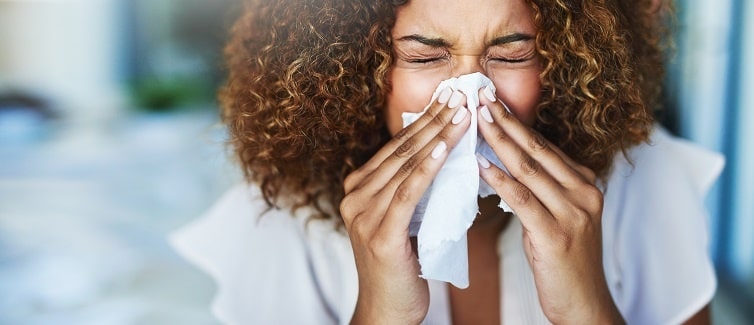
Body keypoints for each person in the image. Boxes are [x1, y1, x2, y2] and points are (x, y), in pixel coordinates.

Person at [171, 0, 724, 323]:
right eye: (423, 56)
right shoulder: (277, 222)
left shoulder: (648, 182)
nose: (468, 94)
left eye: (511, 55)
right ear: (359, 71)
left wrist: (586, 308)